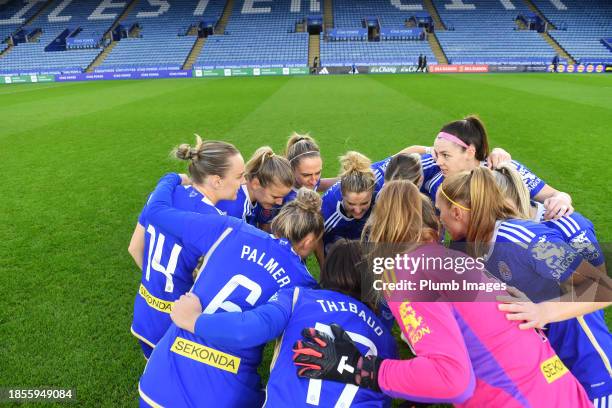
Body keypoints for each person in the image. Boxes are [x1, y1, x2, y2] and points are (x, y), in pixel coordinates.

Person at [292, 180, 592, 407]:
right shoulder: (450, 258)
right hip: (560, 390)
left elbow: (452, 380)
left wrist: (364, 369)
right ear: (434, 227)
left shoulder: (405, 272)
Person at [138, 174, 324, 407]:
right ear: (308, 241)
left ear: (279, 222)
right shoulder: (303, 284)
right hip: (224, 393)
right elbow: (265, 339)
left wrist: (170, 178)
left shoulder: (229, 228)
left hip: (160, 381)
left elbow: (156, 212)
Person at [170, 239, 398, 407]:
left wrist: (194, 320)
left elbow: (246, 330)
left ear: (327, 272)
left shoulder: (299, 297)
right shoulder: (387, 341)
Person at [492, 164, 612, 403]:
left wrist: (543, 310)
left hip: (590, 367)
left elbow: (603, 289)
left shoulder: (534, 236)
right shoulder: (493, 242)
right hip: (553, 364)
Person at [128, 136, 245, 358]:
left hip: (145, 313)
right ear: (217, 181)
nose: (243, 182)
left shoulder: (163, 196)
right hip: (178, 326)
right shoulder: (214, 222)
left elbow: (134, 247)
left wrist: (157, 286)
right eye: (239, 176)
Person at [411, 115, 574, 220]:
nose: (438, 162)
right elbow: (394, 162)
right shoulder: (436, 181)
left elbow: (555, 194)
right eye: (436, 154)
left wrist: (562, 200)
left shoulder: (502, 170)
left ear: (470, 152)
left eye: (445, 155)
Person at [318, 151, 376, 263]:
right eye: (351, 204)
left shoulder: (375, 182)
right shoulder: (327, 213)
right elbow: (316, 240)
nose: (358, 210)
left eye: (364, 203)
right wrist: (324, 267)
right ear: (341, 194)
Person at [217, 146, 293, 228]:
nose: (279, 202)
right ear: (256, 184)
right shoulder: (235, 210)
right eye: (275, 197)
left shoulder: (253, 197)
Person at [284, 133, 336, 203]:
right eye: (306, 175)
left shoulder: (307, 182)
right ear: (291, 169)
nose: (314, 181)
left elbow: (321, 184)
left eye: (318, 173)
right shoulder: (285, 198)